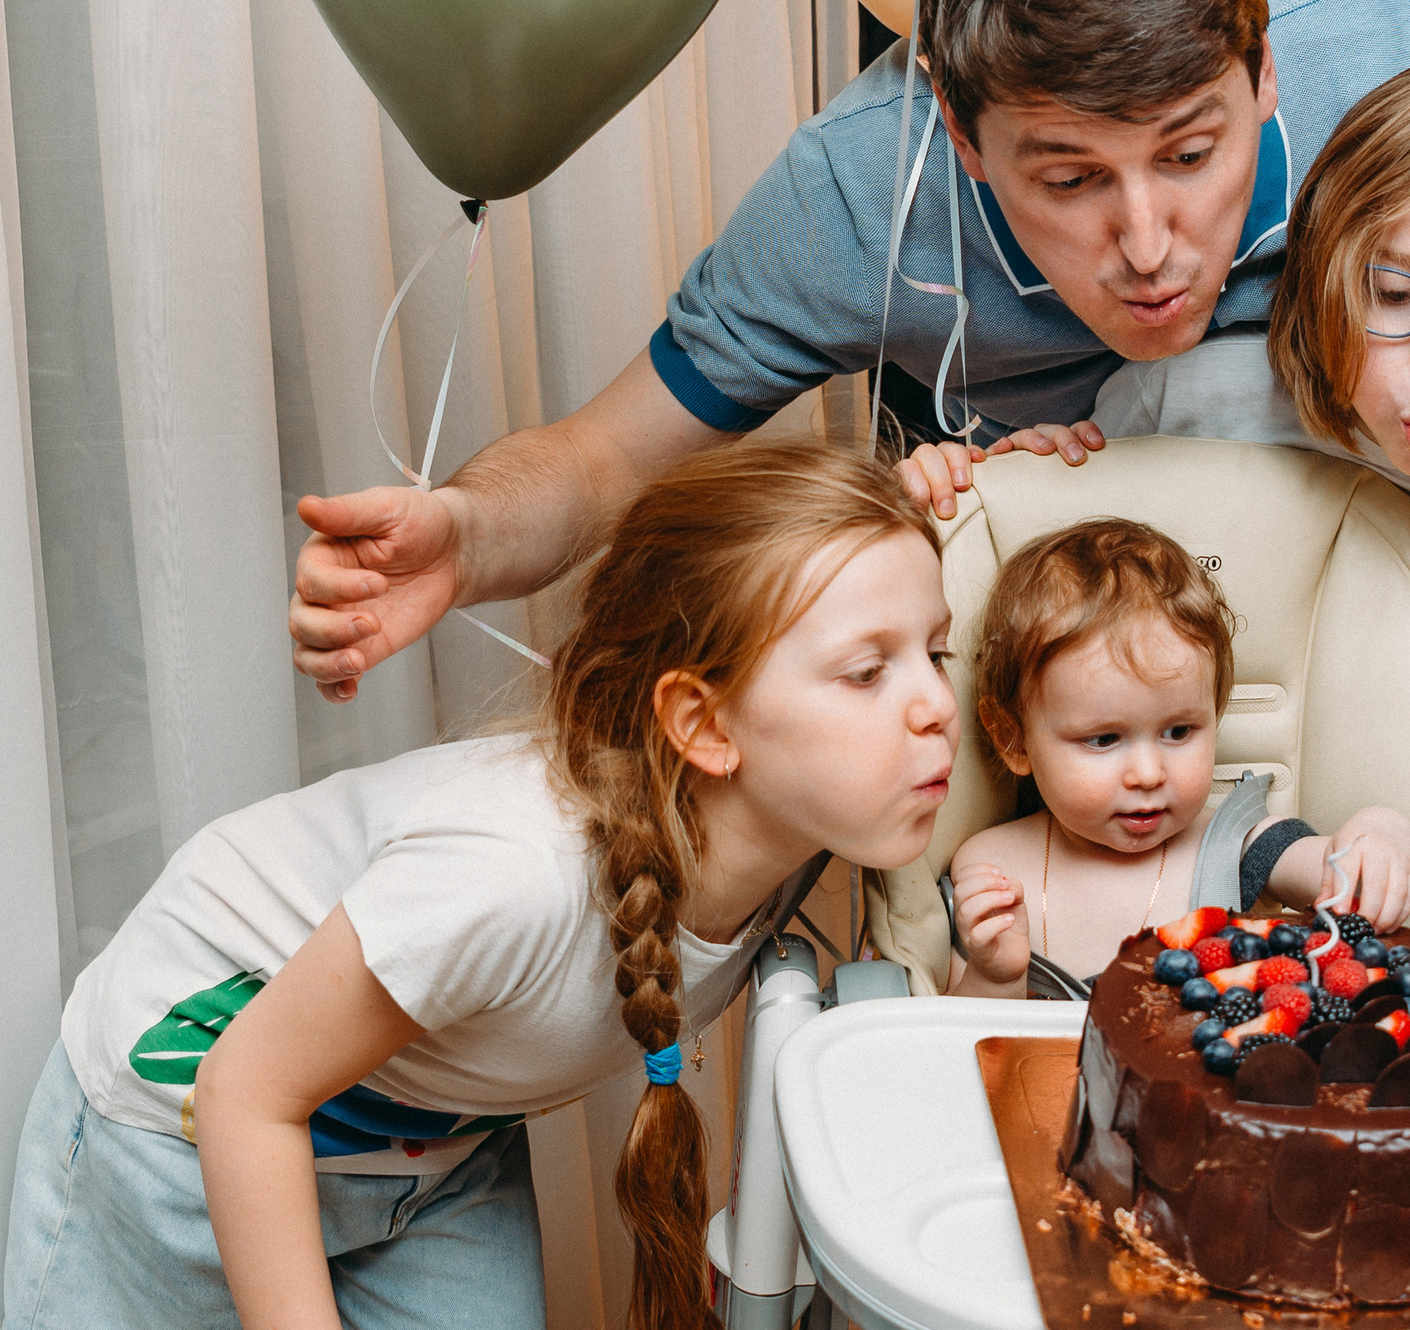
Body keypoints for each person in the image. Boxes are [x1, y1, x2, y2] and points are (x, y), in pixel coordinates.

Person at [287, 0, 1410, 705]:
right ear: (963, 132)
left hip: (1384, 653)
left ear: (1266, 75)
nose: (1149, 244)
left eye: (1191, 154)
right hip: (1067, 685)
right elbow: (595, 462)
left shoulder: (1409, 38)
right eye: (1070, 179)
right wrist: (464, 535)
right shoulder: (859, 197)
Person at [6, 441, 956, 1328]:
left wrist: (991, 475)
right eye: (869, 670)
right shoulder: (510, 878)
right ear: (704, 726)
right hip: (187, 1116)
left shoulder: (811, 822)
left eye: (938, 650)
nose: (937, 705)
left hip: (439, 1139)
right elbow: (246, 1093)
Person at [904, 56, 1410, 777]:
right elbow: (1022, 611)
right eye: (1395, 294)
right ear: (1327, 274)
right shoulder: (1189, 397)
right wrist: (983, 495)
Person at [943, 517, 1410, 999]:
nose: (1149, 774)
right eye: (1104, 739)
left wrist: (1382, 832)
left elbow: (1338, 872)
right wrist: (995, 976)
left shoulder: (1236, 844)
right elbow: (949, 1040)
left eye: (1178, 731)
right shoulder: (994, 868)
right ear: (1014, 740)